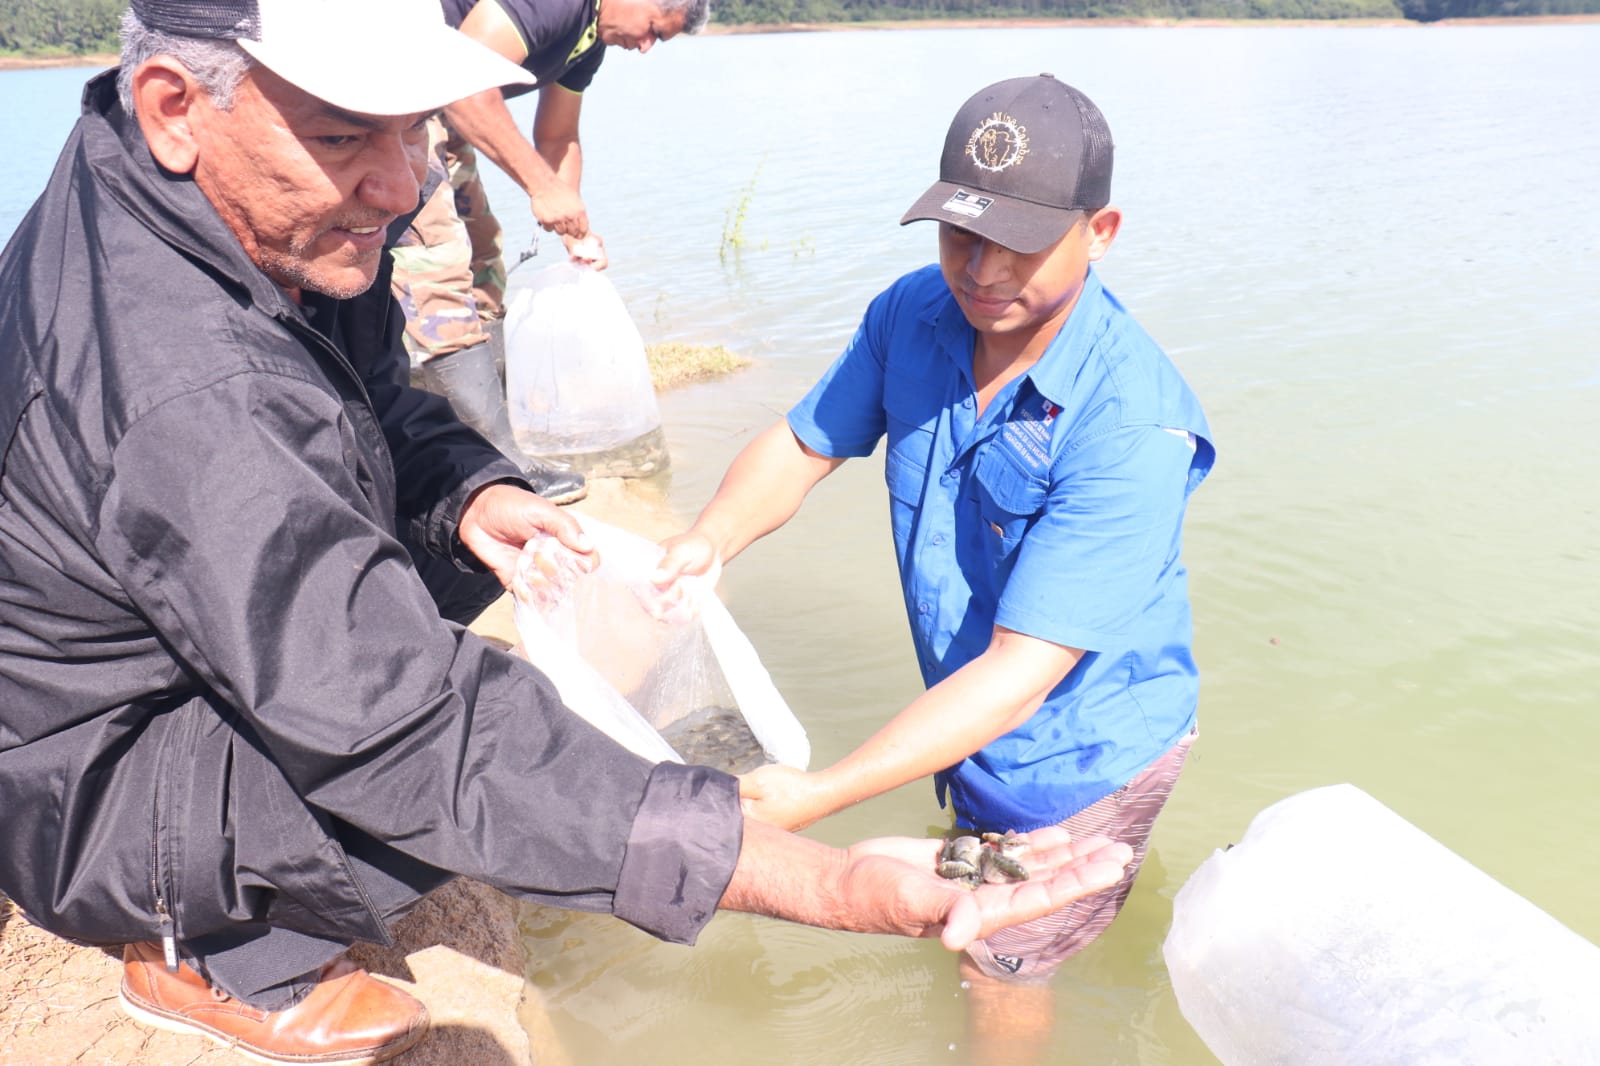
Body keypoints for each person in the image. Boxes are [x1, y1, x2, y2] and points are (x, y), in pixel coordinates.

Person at [0, 7, 1134, 1064]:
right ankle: (204, 948)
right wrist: (823, 878)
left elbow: (373, 397)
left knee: (489, 701)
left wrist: (471, 493)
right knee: (443, 792)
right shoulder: (188, 384)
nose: (397, 186)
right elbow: (404, 723)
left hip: (129, 638)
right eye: (347, 134)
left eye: (413, 133)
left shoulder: (229, 206)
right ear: (171, 107)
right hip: (94, 771)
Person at [653, 75, 1215, 1061]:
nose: (984, 270)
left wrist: (822, 793)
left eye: (1022, 243)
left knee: (995, 959)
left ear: (1102, 230)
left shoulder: (1132, 424)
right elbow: (802, 446)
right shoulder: (913, 313)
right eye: (962, 234)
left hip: (1077, 750)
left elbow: (1019, 671)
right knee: (970, 880)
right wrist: (711, 538)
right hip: (972, 715)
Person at [390, 0, 709, 506]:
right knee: (437, 271)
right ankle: (497, 465)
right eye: (653, 30)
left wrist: (574, 227)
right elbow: (463, 76)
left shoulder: (588, 43)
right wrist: (541, 186)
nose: (645, 47)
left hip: (439, 110)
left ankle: (480, 431)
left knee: (482, 264)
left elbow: (558, 136)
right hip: (394, 93)